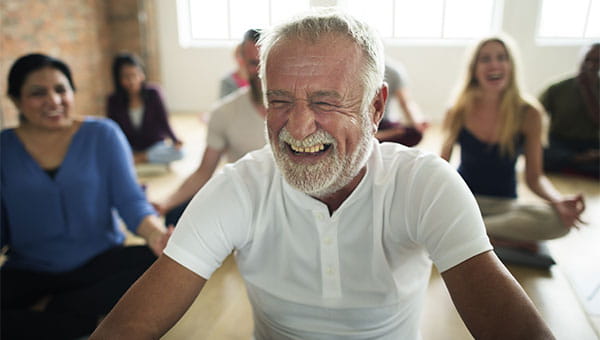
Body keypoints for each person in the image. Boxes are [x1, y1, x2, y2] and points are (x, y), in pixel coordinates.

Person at [91, 11, 555, 339]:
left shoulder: (424, 184)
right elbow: (129, 325)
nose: (297, 127)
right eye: (280, 100)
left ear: (376, 107)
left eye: (325, 102)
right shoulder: (241, 187)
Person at [0, 53, 172, 339]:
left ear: (71, 92)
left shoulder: (102, 135)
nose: (54, 101)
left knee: (156, 265)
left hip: (99, 263)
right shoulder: (4, 149)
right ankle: (76, 322)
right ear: (16, 100)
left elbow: (131, 202)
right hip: (29, 269)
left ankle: (52, 318)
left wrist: (155, 235)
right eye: (37, 93)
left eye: (60, 90)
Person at [440, 36, 586, 267]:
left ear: (511, 66)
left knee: (559, 222)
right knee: (428, 216)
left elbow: (535, 177)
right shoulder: (458, 109)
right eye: (485, 59)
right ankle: (496, 239)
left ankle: (471, 234)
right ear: (474, 69)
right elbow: (441, 166)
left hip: (505, 207)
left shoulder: (529, 113)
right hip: (464, 200)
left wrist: (559, 201)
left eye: (501, 57)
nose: (494, 64)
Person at [153, 28, 266, 226]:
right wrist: (165, 203)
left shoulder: (300, 110)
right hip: (243, 200)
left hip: (288, 203)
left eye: (266, 63)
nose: (260, 72)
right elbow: (204, 172)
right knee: (175, 217)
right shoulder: (224, 112)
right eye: (253, 63)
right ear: (242, 62)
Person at [107, 52, 183, 165]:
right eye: (126, 77)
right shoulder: (113, 100)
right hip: (130, 147)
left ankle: (140, 158)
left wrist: (175, 139)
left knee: (180, 153)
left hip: (155, 146)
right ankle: (137, 158)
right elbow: (114, 130)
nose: (131, 81)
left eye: (134, 75)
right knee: (109, 155)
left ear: (142, 75)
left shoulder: (154, 93)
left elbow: (164, 120)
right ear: (118, 79)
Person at [539, 43, 599, 179]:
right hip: (561, 142)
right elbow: (534, 113)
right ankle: (579, 162)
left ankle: (577, 163)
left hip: (592, 144)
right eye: (587, 60)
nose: (591, 65)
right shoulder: (557, 88)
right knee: (541, 154)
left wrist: (590, 92)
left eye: (597, 61)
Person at [375, 60, 429, 146]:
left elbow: (406, 102)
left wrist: (418, 121)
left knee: (415, 133)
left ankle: (374, 138)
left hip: (381, 122)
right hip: (356, 122)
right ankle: (378, 137)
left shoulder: (393, 71)